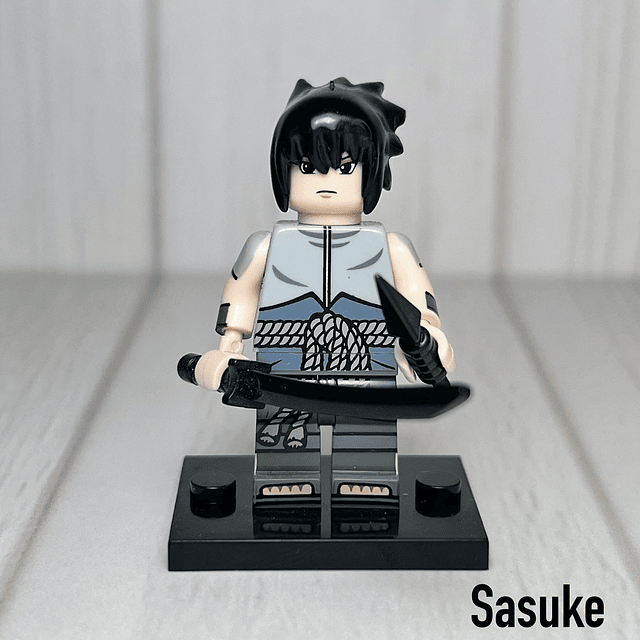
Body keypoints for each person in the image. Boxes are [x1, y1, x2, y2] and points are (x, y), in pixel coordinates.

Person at [194, 78, 455, 505]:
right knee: (284, 446)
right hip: (283, 372)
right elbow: (241, 292)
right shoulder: (266, 246)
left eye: (346, 167)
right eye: (308, 166)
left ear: (372, 172)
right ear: (284, 171)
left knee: (366, 446)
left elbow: (418, 305)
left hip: (367, 369)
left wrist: (427, 338)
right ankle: (286, 483)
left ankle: (365, 483)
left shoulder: (391, 248)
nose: (326, 180)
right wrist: (230, 345)